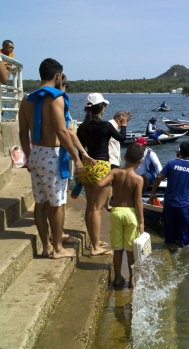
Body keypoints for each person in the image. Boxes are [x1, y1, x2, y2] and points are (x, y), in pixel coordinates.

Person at [18, 58, 84, 258]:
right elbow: (61, 131)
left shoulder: (26, 99)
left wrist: (28, 157)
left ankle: (46, 246)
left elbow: (22, 133)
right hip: (51, 155)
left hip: (35, 153)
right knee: (57, 204)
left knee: (40, 203)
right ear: (57, 76)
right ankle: (57, 249)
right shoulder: (56, 97)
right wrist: (77, 158)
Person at [77, 93, 129, 256]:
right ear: (102, 108)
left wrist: (79, 168)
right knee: (97, 209)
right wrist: (124, 124)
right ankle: (95, 248)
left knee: (90, 207)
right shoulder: (106, 125)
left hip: (87, 165)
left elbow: (80, 151)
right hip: (101, 167)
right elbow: (122, 138)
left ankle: (94, 241)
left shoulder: (82, 127)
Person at [95, 143, 144, 288]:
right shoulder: (138, 179)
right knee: (130, 251)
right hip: (131, 214)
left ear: (124, 157)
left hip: (116, 212)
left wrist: (110, 189)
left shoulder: (115, 172)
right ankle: (132, 280)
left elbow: (99, 184)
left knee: (117, 249)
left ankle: (117, 278)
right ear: (139, 162)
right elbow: (139, 201)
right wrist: (141, 222)